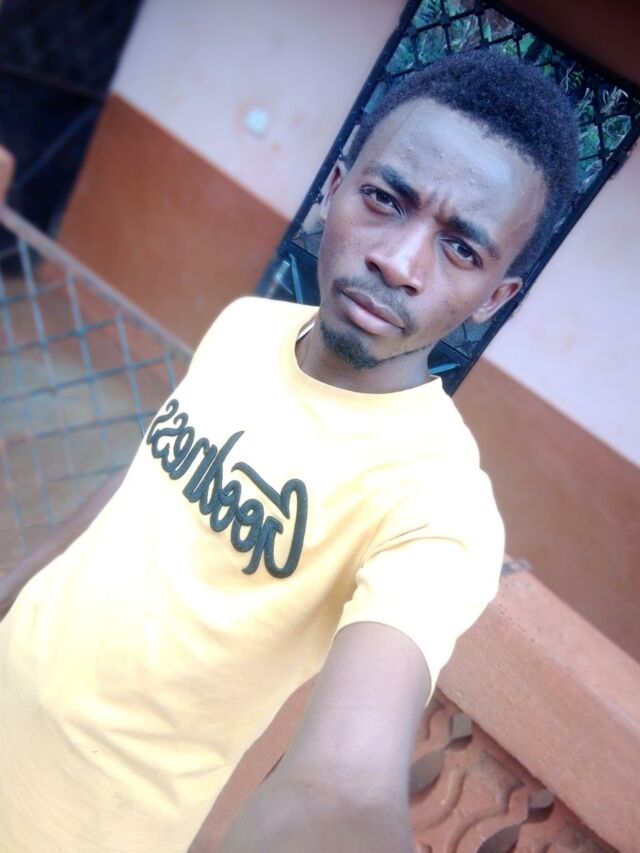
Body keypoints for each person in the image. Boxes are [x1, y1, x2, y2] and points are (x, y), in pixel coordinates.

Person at [0, 50, 577, 853]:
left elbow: (343, 786)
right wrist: (13, 585)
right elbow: (144, 482)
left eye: (461, 249)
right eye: (385, 200)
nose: (399, 261)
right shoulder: (248, 326)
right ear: (334, 188)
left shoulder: (438, 504)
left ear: (494, 297)